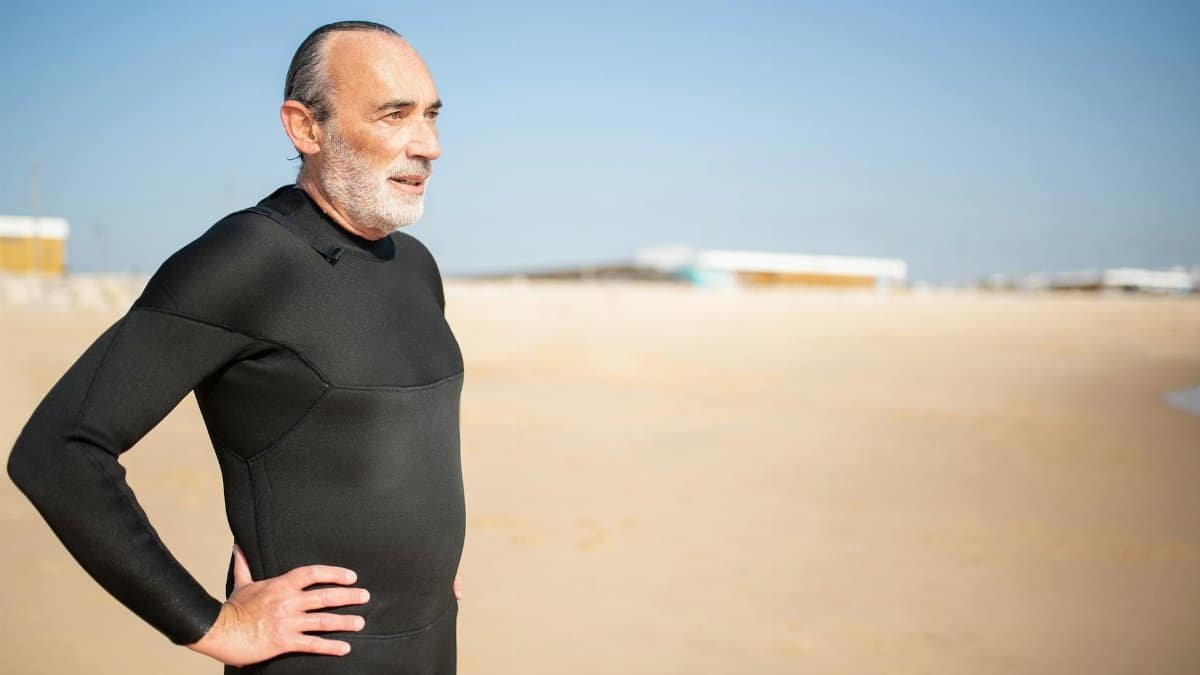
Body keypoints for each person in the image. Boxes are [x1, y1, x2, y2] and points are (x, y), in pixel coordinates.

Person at [6, 20, 466, 675]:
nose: (430, 144)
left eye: (431, 115)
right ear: (305, 128)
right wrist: (212, 623)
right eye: (395, 115)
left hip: (432, 645)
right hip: (318, 660)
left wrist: (430, 576)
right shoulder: (248, 259)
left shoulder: (414, 264)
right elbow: (57, 449)